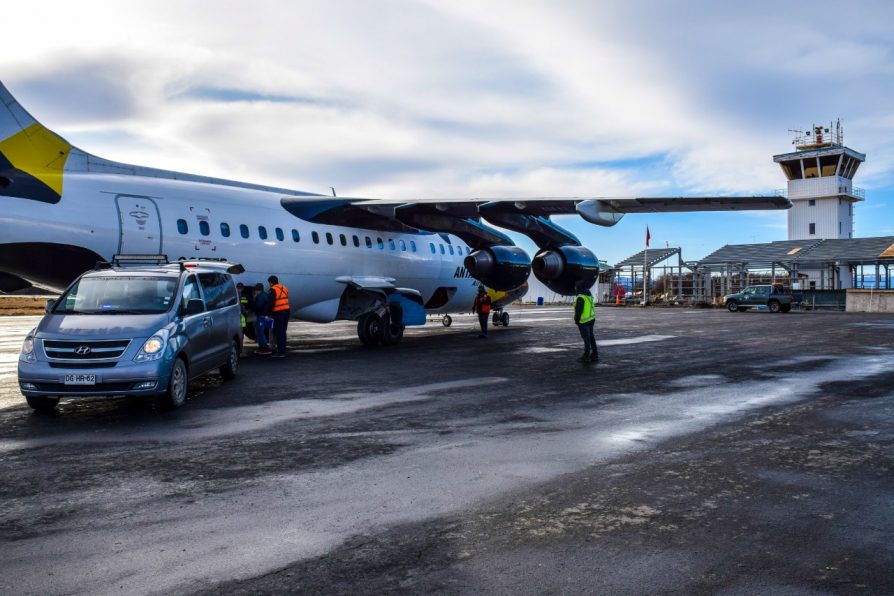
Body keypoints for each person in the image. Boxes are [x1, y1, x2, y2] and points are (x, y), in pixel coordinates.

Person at [574, 280, 597, 363]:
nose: (575, 288)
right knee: (591, 337)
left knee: (586, 338)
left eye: (576, 287)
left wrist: (576, 320)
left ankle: (586, 356)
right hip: (591, 319)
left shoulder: (580, 297)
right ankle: (595, 354)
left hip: (583, 321)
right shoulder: (589, 295)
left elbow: (578, 310)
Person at [267, 275, 291, 358]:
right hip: (287, 312)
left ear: (271, 282)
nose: (269, 284)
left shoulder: (273, 289)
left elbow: (271, 303)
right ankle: (283, 350)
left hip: (278, 313)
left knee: (278, 332)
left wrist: (268, 314)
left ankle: (280, 353)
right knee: (283, 332)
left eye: (269, 282)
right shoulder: (284, 288)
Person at [252, 282, 272, 355]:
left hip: (262, 316)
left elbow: (257, 306)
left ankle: (264, 348)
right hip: (267, 316)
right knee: (265, 332)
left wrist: (254, 299)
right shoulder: (266, 295)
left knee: (260, 332)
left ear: (257, 290)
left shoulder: (260, 296)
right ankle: (265, 347)